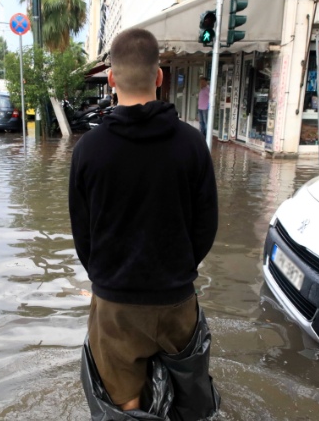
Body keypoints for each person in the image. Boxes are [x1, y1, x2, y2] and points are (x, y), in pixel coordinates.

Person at [69, 28, 219, 414]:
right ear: (159, 77)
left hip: (115, 303)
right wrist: (179, 268)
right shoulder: (192, 144)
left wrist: (106, 276)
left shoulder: (89, 150)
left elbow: (82, 233)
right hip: (176, 298)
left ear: (111, 79)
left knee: (124, 404)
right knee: (189, 396)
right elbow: (206, 225)